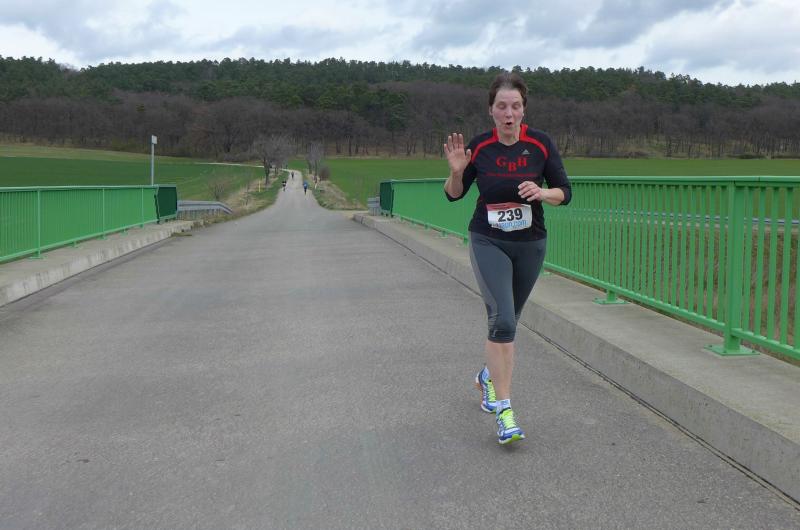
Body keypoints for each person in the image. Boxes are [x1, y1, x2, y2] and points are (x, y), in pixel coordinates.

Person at [443, 72, 572, 445]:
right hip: (489, 240)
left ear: (523, 110)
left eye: (515, 106)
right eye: (502, 106)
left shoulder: (540, 144)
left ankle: (488, 375)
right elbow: (453, 194)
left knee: (510, 321)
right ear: (491, 110)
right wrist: (456, 173)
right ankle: (505, 411)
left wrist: (543, 193)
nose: (509, 113)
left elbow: (565, 192)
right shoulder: (480, 147)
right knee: (501, 321)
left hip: (531, 243)